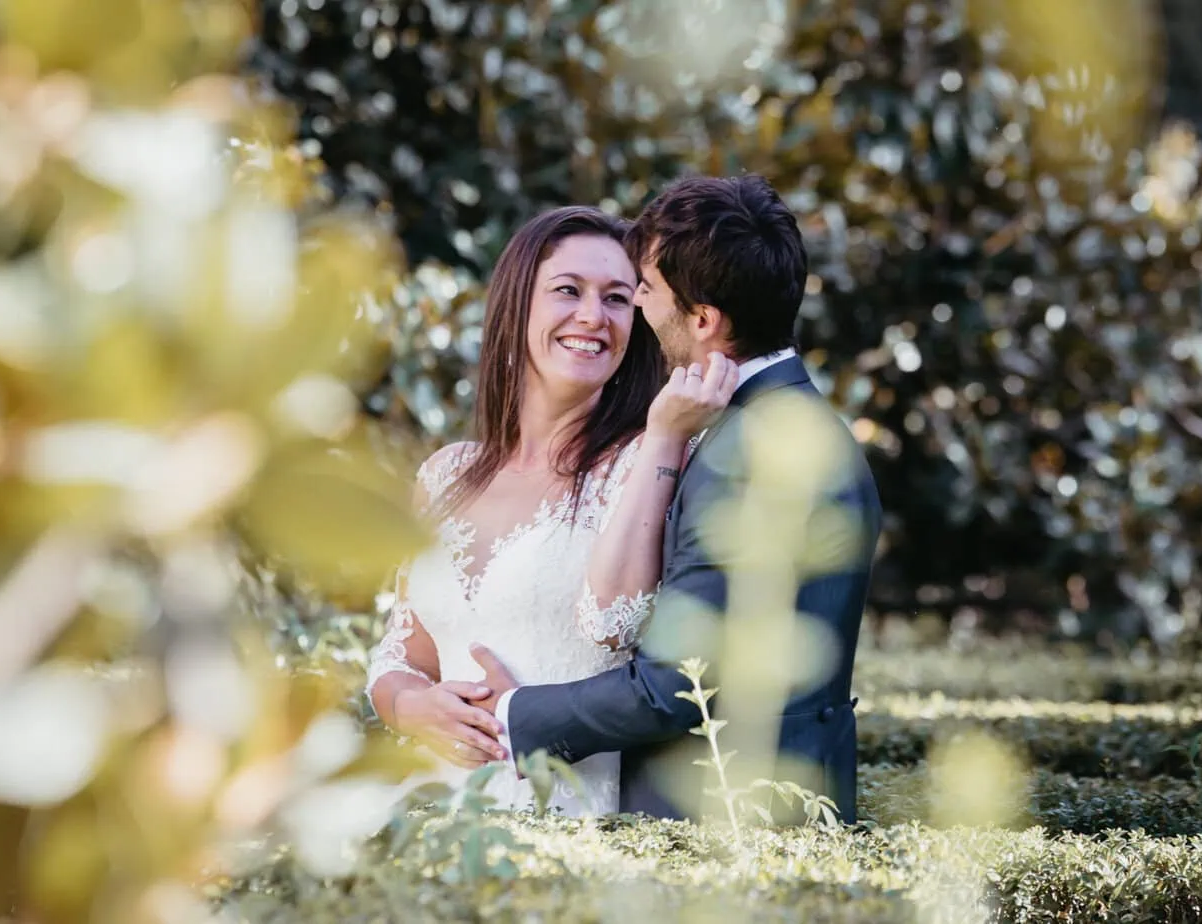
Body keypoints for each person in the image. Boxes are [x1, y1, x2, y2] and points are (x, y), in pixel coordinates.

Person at [470, 174, 884, 824]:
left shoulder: (748, 451)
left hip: (732, 823)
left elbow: (679, 686)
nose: (636, 304)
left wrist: (513, 712)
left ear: (703, 320)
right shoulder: (780, 425)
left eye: (646, 289)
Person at [364, 205, 737, 815]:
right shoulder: (446, 473)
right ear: (518, 306)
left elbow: (617, 621)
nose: (593, 316)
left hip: (564, 820)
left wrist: (665, 438)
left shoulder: (648, 459)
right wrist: (410, 707)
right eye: (568, 290)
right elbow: (402, 654)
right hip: (432, 814)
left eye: (618, 299)